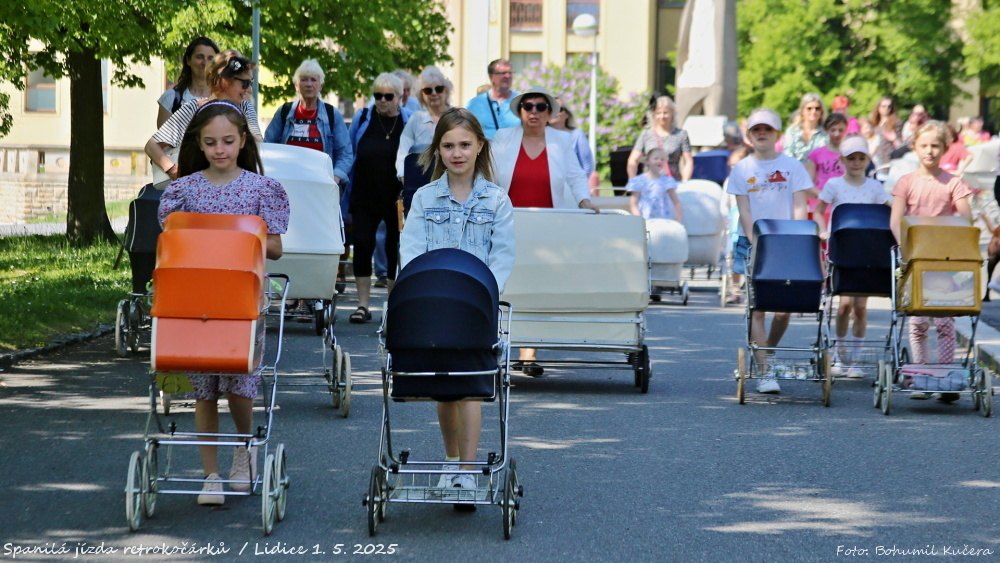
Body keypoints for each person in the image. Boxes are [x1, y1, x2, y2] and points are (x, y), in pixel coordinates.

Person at [157, 100, 290, 505]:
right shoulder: (183, 190)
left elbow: (275, 248)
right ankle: (210, 474)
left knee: (239, 384)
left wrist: (241, 234)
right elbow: (172, 241)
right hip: (196, 300)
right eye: (211, 142)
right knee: (203, 388)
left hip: (242, 302)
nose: (220, 149)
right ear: (199, 143)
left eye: (228, 141)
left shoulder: (261, 189)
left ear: (243, 141)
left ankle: (244, 447)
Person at [399, 108, 515, 503]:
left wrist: (484, 295)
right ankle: (451, 460)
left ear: (479, 145)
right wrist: (419, 290)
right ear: (438, 150)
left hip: (476, 308)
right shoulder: (424, 198)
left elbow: (502, 256)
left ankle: (467, 471)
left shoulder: (496, 200)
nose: (457, 153)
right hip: (434, 304)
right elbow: (411, 250)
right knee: (445, 389)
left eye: (465, 144)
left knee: (469, 388)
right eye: (448, 146)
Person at [492, 86, 599, 377]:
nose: (534, 112)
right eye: (528, 106)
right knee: (510, 283)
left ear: (550, 113)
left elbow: (576, 175)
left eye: (541, 107)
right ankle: (504, 343)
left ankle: (528, 353)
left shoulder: (561, 141)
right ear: (520, 111)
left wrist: (584, 200)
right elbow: (488, 174)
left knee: (538, 283)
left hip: (548, 228)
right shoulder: (503, 138)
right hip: (509, 223)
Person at [726, 108, 812, 394]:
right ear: (749, 136)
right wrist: (755, 241)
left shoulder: (793, 167)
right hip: (754, 241)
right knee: (758, 308)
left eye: (767, 129)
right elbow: (744, 210)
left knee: (784, 310)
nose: (762, 133)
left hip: (786, 242)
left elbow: (800, 206)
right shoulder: (742, 169)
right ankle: (765, 372)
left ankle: (767, 351)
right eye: (756, 129)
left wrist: (798, 239)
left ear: (777, 134)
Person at [889, 121, 973, 402]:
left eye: (935, 145)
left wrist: (955, 243)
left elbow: (966, 218)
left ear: (945, 148)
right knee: (918, 320)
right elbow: (896, 220)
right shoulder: (906, 182)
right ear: (914, 146)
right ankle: (921, 374)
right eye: (924, 145)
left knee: (945, 319)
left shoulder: (954, 183)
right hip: (916, 258)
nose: (929, 151)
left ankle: (947, 376)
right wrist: (906, 249)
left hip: (944, 259)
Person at [813, 136, 891, 378]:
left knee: (860, 306)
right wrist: (823, 231)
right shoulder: (834, 185)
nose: (856, 163)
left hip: (866, 249)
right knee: (843, 304)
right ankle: (839, 354)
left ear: (867, 160)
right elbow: (818, 210)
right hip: (842, 248)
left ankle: (855, 360)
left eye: (860, 158)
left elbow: (889, 210)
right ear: (842, 160)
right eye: (851, 158)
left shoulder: (875, 187)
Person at [346, 72, 411, 323]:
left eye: (388, 96)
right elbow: (350, 150)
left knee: (395, 247)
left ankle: (393, 305)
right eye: (377, 96)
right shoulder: (363, 118)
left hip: (396, 196)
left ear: (400, 97)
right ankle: (362, 305)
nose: (382, 100)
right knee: (363, 244)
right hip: (364, 192)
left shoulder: (408, 121)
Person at [146, 50, 263, 184]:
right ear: (224, 82)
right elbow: (152, 146)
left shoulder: (245, 108)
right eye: (245, 83)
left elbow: (259, 144)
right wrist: (173, 171)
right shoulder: (194, 108)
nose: (249, 90)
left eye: (251, 82)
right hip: (197, 188)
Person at [264, 59, 353, 188]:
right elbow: (267, 146)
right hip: (287, 185)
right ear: (296, 85)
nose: (309, 84)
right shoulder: (284, 112)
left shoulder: (332, 115)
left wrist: (335, 177)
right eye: (304, 80)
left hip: (321, 186)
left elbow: (345, 153)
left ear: (320, 85)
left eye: (313, 80)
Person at [396, 65, 453, 214]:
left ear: (446, 90)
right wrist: (404, 176)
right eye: (428, 90)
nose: (434, 93)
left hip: (452, 183)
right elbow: (403, 152)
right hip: (420, 186)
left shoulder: (457, 116)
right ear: (421, 95)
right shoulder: (416, 119)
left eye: (438, 89)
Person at [626, 95, 693, 181]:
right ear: (653, 115)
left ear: (672, 114)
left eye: (665, 112)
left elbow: (688, 161)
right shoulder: (646, 134)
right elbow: (633, 160)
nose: (662, 116)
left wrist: (685, 182)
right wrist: (632, 181)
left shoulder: (681, 135)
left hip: (673, 183)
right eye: (658, 113)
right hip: (650, 184)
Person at [156, 36, 219, 128]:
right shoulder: (171, 99)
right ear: (188, 60)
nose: (205, 63)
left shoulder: (227, 98)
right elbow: (164, 137)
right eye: (200, 57)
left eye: (210, 58)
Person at [804, 113, 848, 217]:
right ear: (826, 130)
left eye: (840, 130)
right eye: (833, 130)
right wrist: (822, 195)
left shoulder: (850, 154)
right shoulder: (816, 154)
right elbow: (808, 183)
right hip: (821, 202)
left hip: (844, 201)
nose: (837, 134)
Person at [467, 59, 520, 141]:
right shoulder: (474, 105)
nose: (508, 76)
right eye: (503, 73)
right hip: (485, 148)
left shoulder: (521, 102)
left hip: (515, 148)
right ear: (491, 76)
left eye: (510, 73)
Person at [626, 147, 684, 222]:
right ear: (647, 161)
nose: (659, 161)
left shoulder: (667, 181)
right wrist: (638, 219)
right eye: (656, 158)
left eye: (662, 159)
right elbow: (633, 203)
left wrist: (678, 219)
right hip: (645, 220)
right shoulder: (639, 181)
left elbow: (676, 202)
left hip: (663, 220)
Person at [548, 100, 595, 180]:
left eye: (558, 109)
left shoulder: (577, 134)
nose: (554, 112)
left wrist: (579, 184)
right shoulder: (539, 136)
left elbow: (587, 166)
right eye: (550, 109)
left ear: (567, 114)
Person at [782, 93, 828, 162]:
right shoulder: (792, 131)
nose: (813, 111)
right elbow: (788, 155)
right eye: (809, 108)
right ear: (802, 111)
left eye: (817, 108)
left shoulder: (825, 132)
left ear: (821, 111)